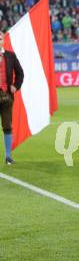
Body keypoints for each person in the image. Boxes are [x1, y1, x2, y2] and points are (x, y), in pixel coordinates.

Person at [0, 30, 24, 165]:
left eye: (0, 38)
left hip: (7, 96)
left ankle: (8, 156)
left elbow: (20, 73)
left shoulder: (10, 56)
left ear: (3, 40)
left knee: (7, 126)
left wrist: (16, 86)